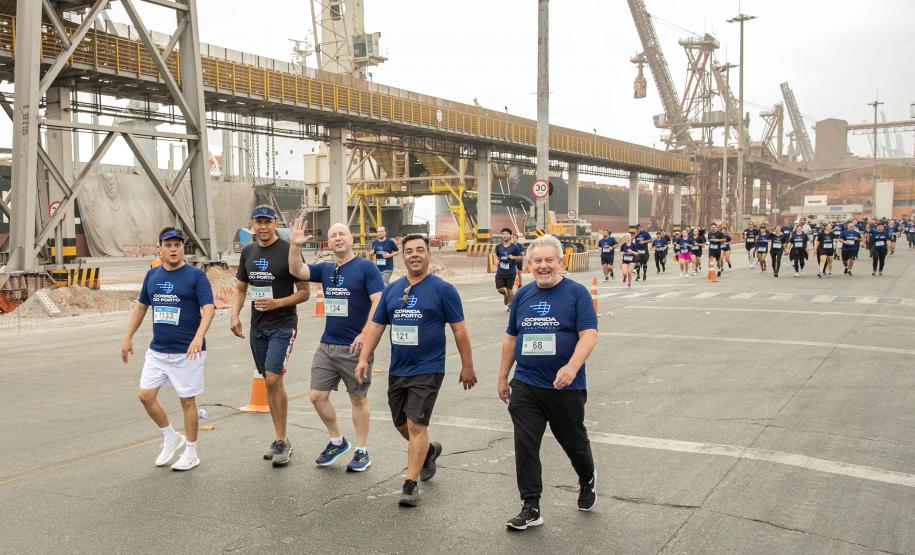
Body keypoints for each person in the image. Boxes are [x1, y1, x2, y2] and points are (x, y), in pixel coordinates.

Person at [356, 234, 477, 507]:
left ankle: (410, 484)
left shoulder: (443, 290)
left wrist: (467, 366)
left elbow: (459, 330)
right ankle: (429, 451)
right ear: (402, 255)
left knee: (416, 424)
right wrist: (363, 358)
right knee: (402, 425)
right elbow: (376, 327)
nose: (414, 255)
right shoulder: (392, 290)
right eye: (409, 251)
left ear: (428, 254)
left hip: (429, 367)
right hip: (399, 369)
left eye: (420, 250)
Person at [497, 234, 598, 530]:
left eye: (548, 260)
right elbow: (511, 337)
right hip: (526, 384)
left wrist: (571, 367)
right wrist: (503, 376)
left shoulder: (577, 294)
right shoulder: (523, 295)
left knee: (574, 442)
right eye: (537, 261)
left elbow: (589, 334)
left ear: (560, 262)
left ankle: (586, 478)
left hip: (565, 386)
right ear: (529, 265)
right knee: (525, 444)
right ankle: (531, 505)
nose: (543, 266)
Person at [288, 218, 384, 471]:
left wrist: (366, 333)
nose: (338, 238)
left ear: (351, 239)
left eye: (342, 234)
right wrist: (294, 246)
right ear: (328, 242)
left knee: (357, 399)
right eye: (333, 236)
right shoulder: (326, 269)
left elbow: (379, 302)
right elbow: (297, 271)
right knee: (317, 396)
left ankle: (362, 450)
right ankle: (337, 440)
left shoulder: (366, 268)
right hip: (328, 345)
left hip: (355, 347)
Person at [121, 227, 215, 471]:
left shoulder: (196, 276)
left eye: (177, 244)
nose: (173, 249)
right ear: (159, 249)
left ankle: (192, 453)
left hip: (187, 351)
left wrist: (198, 337)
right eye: (168, 244)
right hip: (158, 351)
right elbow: (141, 307)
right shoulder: (152, 275)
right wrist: (127, 337)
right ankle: (171, 437)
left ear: (183, 248)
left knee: (187, 401)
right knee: (145, 396)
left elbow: (209, 308)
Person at [231, 206, 311, 466]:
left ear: (275, 222)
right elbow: (241, 289)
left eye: (268, 222)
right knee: (269, 381)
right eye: (258, 222)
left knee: (275, 378)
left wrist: (278, 303)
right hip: (258, 327)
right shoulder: (248, 253)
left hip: (283, 324)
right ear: (252, 224)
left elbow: (304, 292)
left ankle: (282, 440)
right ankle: (280, 439)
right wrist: (234, 316)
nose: (263, 227)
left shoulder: (289, 250)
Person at [495, 228, 524, 311]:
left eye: (507, 234)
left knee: (509, 290)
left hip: (511, 272)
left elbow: (521, 258)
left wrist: (513, 257)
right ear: (502, 236)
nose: (505, 235)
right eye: (503, 234)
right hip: (500, 271)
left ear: (510, 236)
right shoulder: (499, 247)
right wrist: (497, 261)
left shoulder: (514, 247)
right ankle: (505, 295)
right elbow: (497, 256)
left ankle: (510, 305)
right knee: (500, 289)